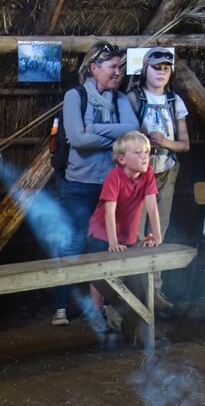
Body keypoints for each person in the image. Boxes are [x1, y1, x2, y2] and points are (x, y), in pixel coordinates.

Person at [50, 42, 139, 326]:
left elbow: (133, 129)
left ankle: (99, 308)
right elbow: (77, 139)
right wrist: (115, 138)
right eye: (113, 67)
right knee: (73, 243)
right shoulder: (75, 97)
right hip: (77, 185)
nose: (118, 73)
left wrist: (94, 131)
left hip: (109, 187)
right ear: (94, 68)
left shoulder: (121, 100)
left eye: (120, 67)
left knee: (103, 245)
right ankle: (60, 306)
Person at [127, 47, 189, 308]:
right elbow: (125, 139)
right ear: (145, 69)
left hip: (166, 172)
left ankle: (155, 291)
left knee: (158, 231)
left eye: (166, 68)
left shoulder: (175, 102)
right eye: (156, 67)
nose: (161, 72)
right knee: (135, 233)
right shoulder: (133, 99)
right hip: (139, 176)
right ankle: (136, 292)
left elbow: (184, 144)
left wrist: (166, 142)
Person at [85, 131, 162, 326]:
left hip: (126, 234)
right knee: (99, 274)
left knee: (124, 275)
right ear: (121, 159)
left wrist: (157, 236)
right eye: (138, 152)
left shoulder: (149, 175)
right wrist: (112, 242)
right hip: (102, 233)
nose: (144, 156)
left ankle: (118, 313)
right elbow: (109, 211)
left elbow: (152, 206)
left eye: (147, 151)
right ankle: (96, 312)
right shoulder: (114, 177)